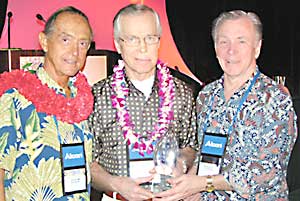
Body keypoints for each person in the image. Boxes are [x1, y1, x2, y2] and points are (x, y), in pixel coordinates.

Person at [154, 10, 298, 200]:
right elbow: (206, 154)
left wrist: (202, 184)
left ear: (257, 47)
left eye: (241, 41)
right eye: (224, 42)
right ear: (215, 47)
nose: (231, 50)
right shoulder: (206, 96)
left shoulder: (275, 98)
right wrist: (185, 186)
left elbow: (265, 172)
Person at [88, 3, 198, 201]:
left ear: (158, 42)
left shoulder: (182, 92)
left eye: (150, 38)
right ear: (118, 44)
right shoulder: (96, 96)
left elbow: (190, 147)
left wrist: (180, 164)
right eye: (132, 39)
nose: (143, 47)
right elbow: (89, 163)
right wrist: (115, 184)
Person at [0, 6, 94, 200]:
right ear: (44, 41)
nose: (75, 52)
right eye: (65, 40)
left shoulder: (85, 100)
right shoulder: (15, 97)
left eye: (83, 43)